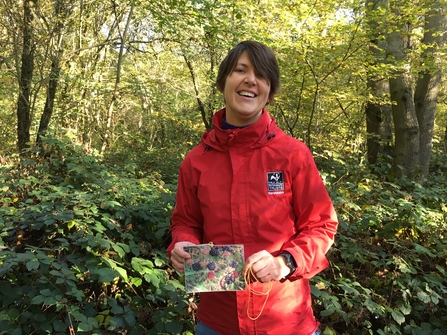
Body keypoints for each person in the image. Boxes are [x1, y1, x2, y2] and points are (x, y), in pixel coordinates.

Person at [167, 41, 338, 335]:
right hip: (217, 323)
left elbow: (322, 226)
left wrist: (286, 261)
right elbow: (186, 221)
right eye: (241, 70)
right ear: (223, 81)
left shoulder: (292, 154)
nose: (250, 80)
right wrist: (181, 243)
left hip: (286, 320)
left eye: (261, 75)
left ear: (269, 91)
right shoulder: (196, 161)